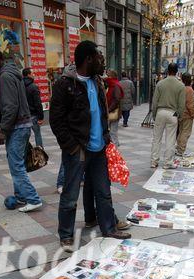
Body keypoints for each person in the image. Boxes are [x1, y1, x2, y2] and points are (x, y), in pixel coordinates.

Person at [49, 40, 131, 252]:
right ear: (88, 59)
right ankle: (65, 236)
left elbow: (101, 113)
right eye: (98, 58)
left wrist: (105, 138)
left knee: (103, 192)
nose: (101, 63)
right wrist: (73, 147)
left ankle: (109, 228)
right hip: (79, 150)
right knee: (70, 194)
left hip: (99, 149)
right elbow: (56, 121)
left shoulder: (96, 81)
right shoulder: (65, 84)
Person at [0, 49, 42, 212]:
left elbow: (11, 106)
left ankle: (33, 198)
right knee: (16, 163)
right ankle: (21, 196)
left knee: (16, 165)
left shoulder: (5, 77)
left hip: (17, 127)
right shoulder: (12, 74)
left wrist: (3, 130)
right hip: (22, 125)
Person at [150, 62, 185, 169]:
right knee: (170, 139)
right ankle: (168, 162)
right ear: (177, 72)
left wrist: (155, 114)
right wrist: (178, 115)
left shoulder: (160, 83)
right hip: (172, 113)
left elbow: (154, 101)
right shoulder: (180, 85)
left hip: (160, 111)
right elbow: (181, 104)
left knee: (156, 138)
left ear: (167, 71)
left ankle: (154, 161)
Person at [176, 73, 194, 156]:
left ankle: (178, 147)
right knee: (185, 132)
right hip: (187, 114)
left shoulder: (180, 88)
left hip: (180, 113)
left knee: (181, 131)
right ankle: (181, 149)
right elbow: (190, 105)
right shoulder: (189, 89)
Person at [22, 67, 44, 147]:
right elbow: (38, 103)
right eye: (33, 73)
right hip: (33, 115)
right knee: (37, 134)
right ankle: (40, 152)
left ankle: (25, 153)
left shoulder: (20, 86)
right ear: (28, 75)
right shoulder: (33, 87)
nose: (34, 75)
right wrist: (41, 117)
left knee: (25, 137)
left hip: (24, 115)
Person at [106, 69, 124, 146]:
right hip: (112, 111)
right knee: (111, 131)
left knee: (113, 131)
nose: (106, 77)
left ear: (112, 76)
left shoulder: (115, 85)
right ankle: (115, 145)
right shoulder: (111, 85)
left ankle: (115, 147)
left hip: (114, 111)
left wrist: (109, 109)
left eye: (108, 75)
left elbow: (116, 99)